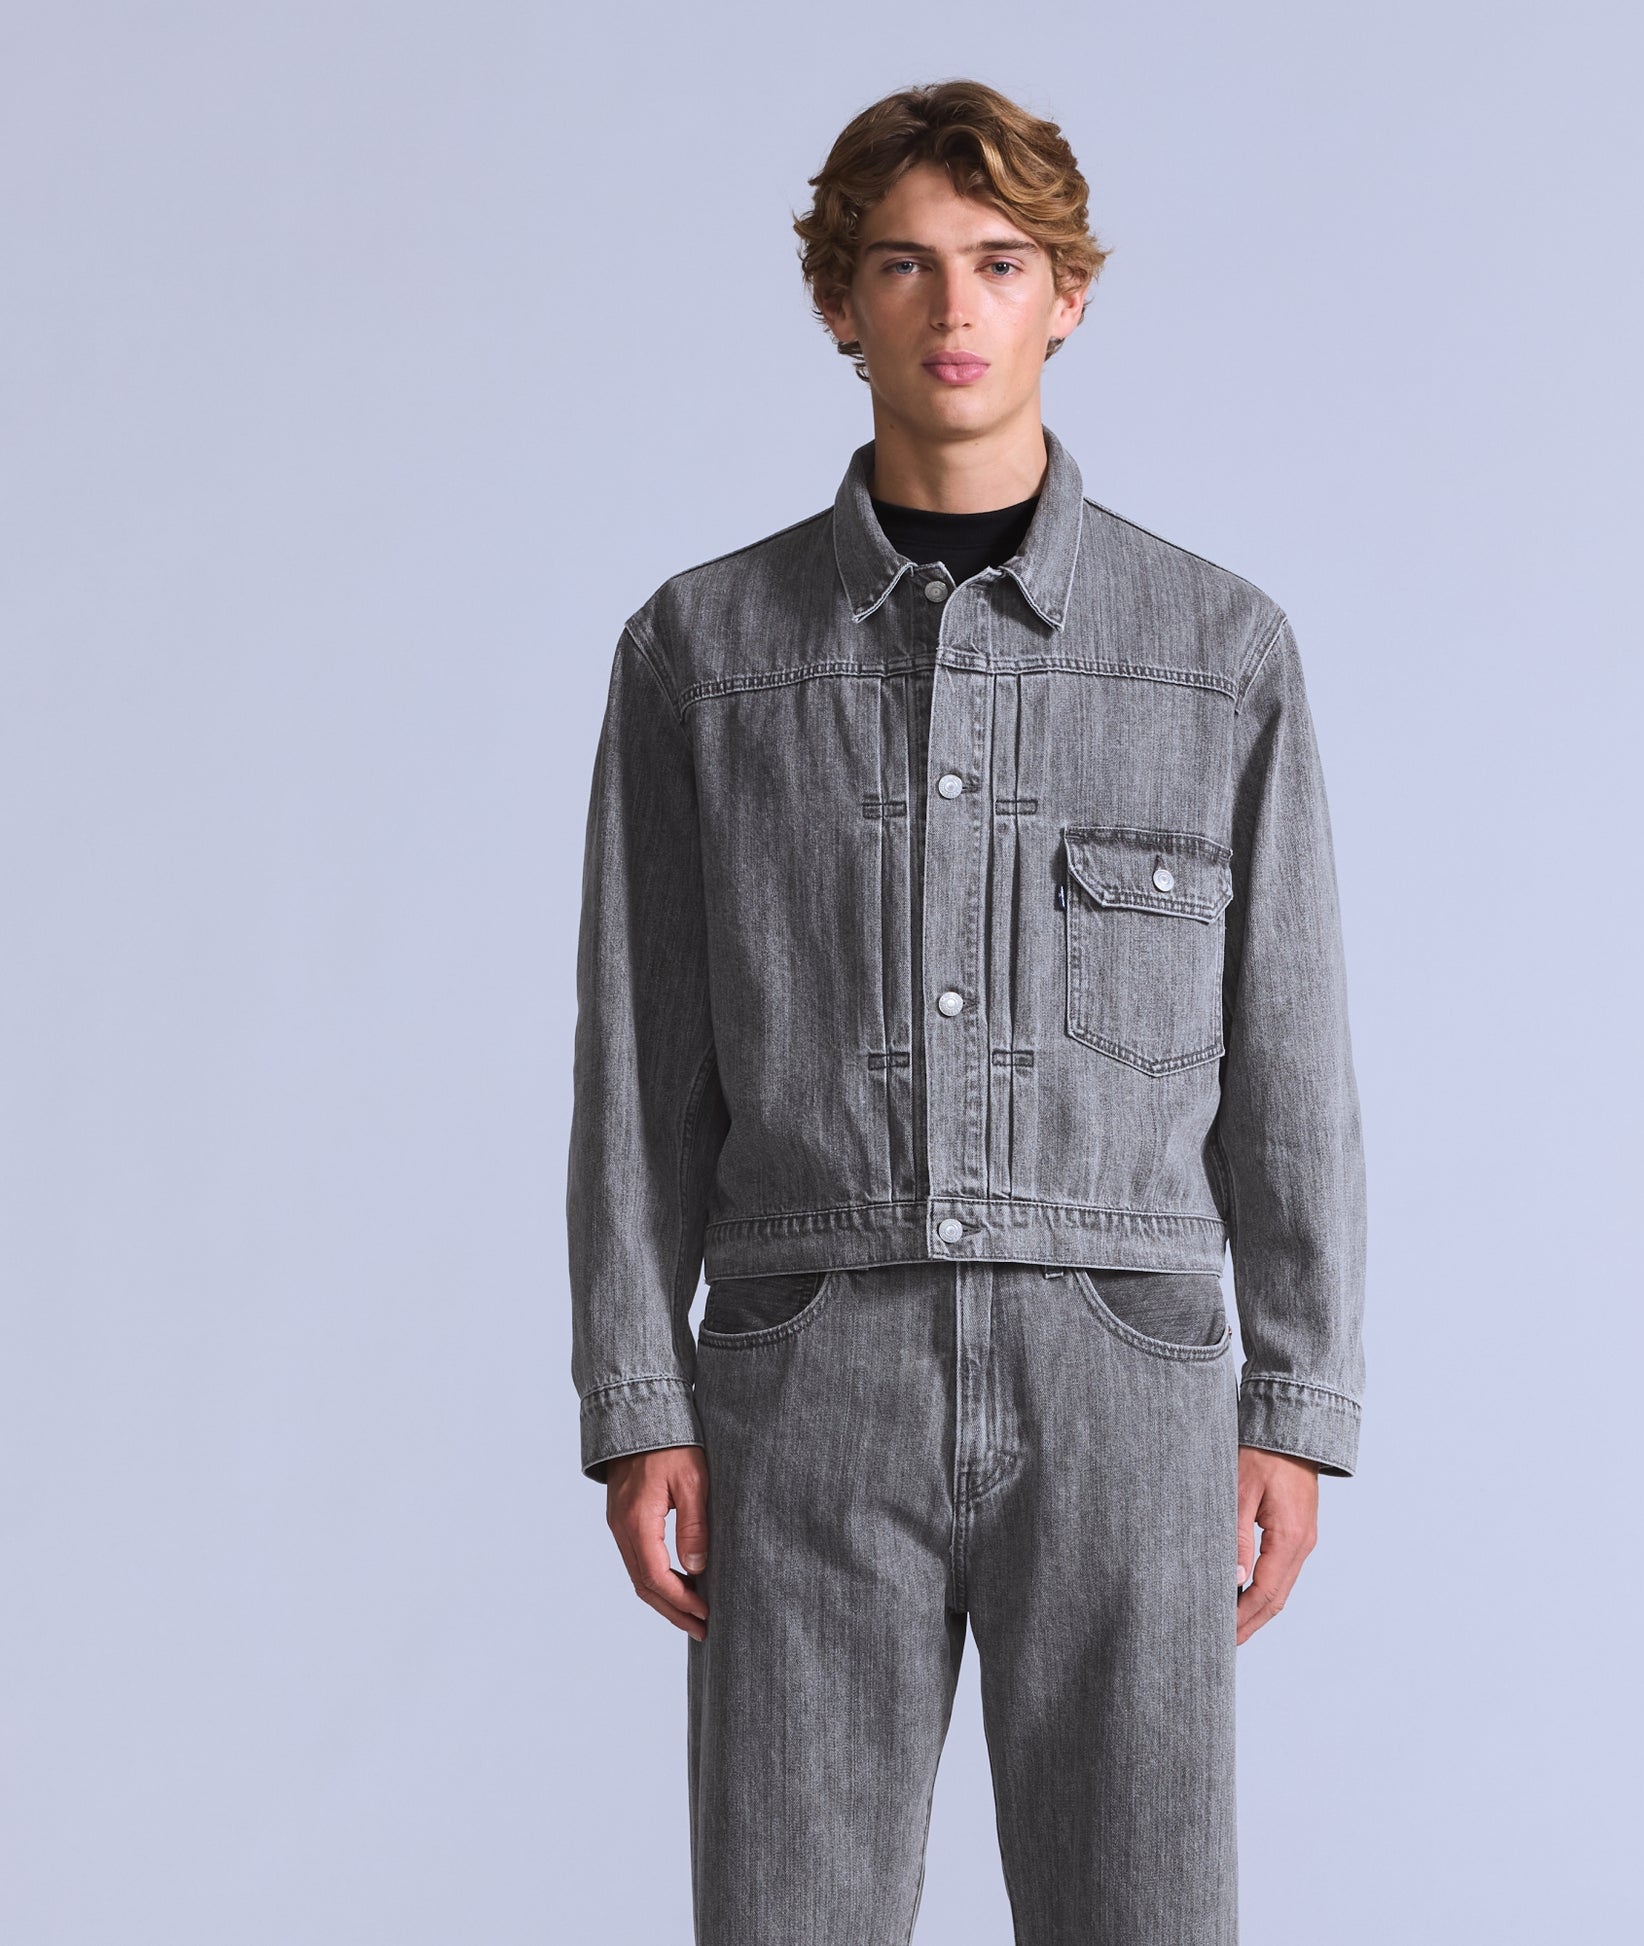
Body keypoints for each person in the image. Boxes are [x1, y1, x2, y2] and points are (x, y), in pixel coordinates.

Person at [566, 77, 1366, 1946]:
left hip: (1126, 1374)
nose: (953, 307)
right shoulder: (702, 653)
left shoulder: (1213, 652)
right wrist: (636, 1397)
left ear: (1067, 296)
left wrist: (1294, 1402)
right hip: (802, 1362)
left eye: (999, 263)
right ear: (836, 301)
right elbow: (639, 1060)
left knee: (1141, 1914)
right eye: (904, 265)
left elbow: (1291, 1057)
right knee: (787, 1914)